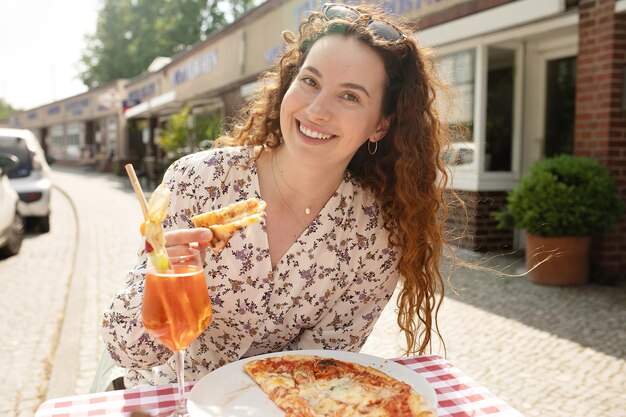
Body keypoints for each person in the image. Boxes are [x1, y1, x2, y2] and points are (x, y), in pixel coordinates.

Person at [102, 2, 451, 388]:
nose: (317, 110)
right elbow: (128, 350)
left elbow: (318, 373)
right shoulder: (197, 181)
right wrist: (161, 278)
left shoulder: (376, 237)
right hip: (166, 398)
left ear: (381, 125)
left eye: (349, 96)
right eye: (311, 81)